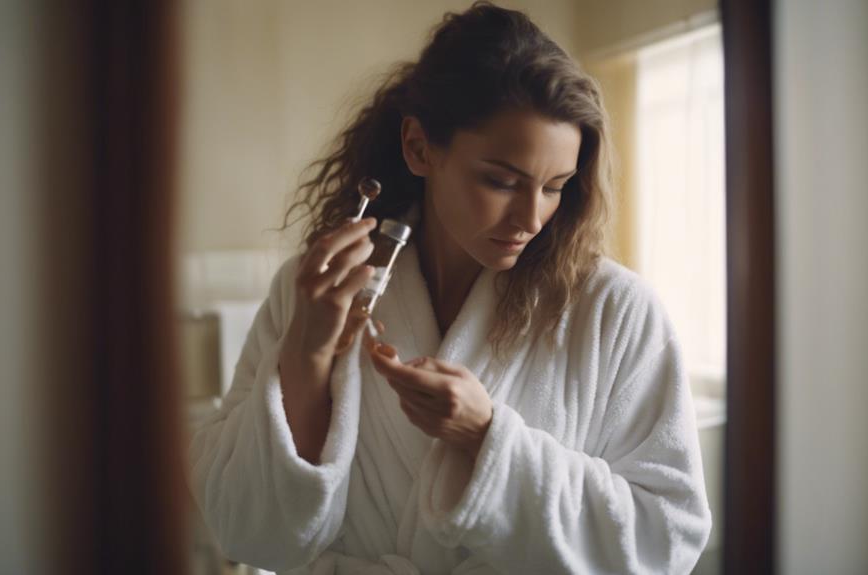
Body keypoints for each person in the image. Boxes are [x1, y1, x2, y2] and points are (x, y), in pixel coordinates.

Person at [187, 2, 712, 573]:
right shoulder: (313, 289)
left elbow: (667, 540)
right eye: (500, 181)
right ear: (419, 147)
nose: (532, 219)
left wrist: (488, 440)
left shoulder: (616, 311)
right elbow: (244, 527)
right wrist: (305, 354)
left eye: (556, 187)